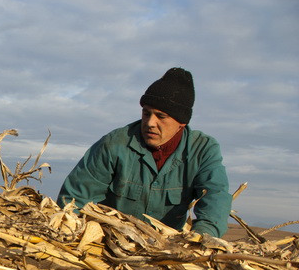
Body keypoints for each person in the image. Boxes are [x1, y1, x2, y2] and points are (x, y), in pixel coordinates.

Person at [57, 67, 232, 237]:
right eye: (146, 113)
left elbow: (215, 197)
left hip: (167, 250)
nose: (150, 123)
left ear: (181, 122)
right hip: (111, 244)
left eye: (160, 116)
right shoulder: (114, 143)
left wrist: (202, 238)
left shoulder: (203, 150)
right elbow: (74, 197)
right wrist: (70, 229)